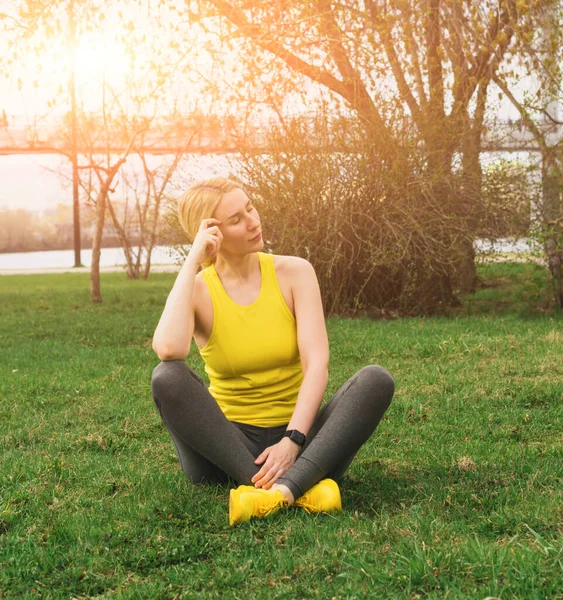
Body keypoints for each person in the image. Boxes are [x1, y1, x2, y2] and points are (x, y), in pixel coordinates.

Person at [151, 176, 395, 525]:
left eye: (250, 207)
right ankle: (299, 488)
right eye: (236, 219)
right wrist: (192, 262)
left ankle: (275, 493)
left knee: (375, 379)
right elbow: (169, 348)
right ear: (211, 235)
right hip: (229, 448)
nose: (253, 221)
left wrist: (293, 440)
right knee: (166, 376)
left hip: (301, 438)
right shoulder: (200, 289)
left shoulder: (295, 272)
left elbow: (317, 365)